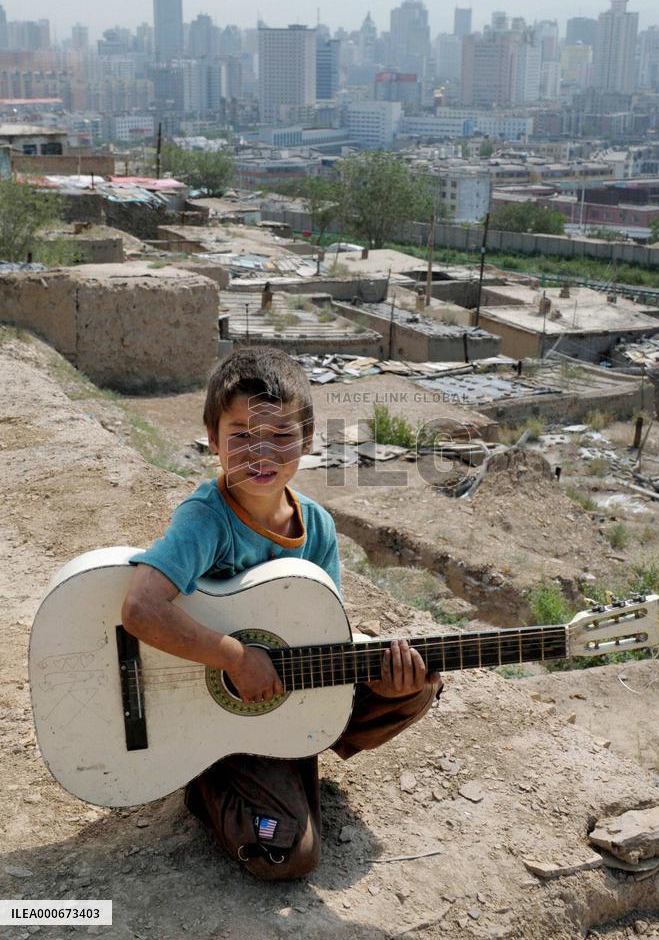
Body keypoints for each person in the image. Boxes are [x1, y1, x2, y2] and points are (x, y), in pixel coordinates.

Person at [121, 346, 442, 880]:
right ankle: (208, 780)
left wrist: (381, 688)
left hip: (290, 694)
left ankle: (298, 747)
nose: (260, 453)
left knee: (417, 679)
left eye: (280, 435)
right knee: (289, 857)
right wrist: (233, 657)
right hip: (211, 709)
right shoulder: (207, 519)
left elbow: (323, 637)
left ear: (309, 440)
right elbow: (140, 608)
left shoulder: (316, 528)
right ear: (212, 438)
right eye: (242, 434)